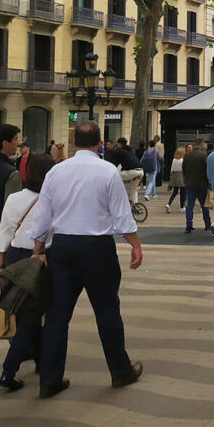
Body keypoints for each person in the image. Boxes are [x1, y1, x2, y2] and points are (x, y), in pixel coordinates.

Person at [23, 120, 143, 398]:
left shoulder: (56, 172)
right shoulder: (107, 171)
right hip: (97, 248)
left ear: (75, 142)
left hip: (62, 247)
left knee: (57, 315)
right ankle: (120, 371)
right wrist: (134, 244)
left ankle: (50, 380)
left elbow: (44, 215)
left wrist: (37, 249)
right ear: (100, 142)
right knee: (107, 311)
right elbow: (121, 214)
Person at [0, 153, 55, 391]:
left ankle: (40, 361)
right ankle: (8, 372)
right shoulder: (52, 200)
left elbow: (4, 230)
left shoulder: (15, 198)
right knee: (34, 318)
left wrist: (1, 264)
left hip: (16, 257)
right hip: (42, 259)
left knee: (25, 314)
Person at [0, 123, 21, 284]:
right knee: (9, 293)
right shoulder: (11, 173)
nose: (18, 143)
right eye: (15, 139)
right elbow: (11, 211)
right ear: (5, 143)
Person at [182, 138, 212, 233]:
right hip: (202, 183)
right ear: (202, 143)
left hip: (190, 183)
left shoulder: (187, 156)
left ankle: (189, 225)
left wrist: (187, 179)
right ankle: (207, 224)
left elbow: (184, 169)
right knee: (204, 205)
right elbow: (207, 170)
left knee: (189, 205)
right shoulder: (204, 155)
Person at [165, 146, 186, 212]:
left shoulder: (174, 160)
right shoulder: (182, 161)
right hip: (181, 176)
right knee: (183, 193)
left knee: (174, 192)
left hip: (174, 176)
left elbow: (172, 169)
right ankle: (182, 207)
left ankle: (168, 204)